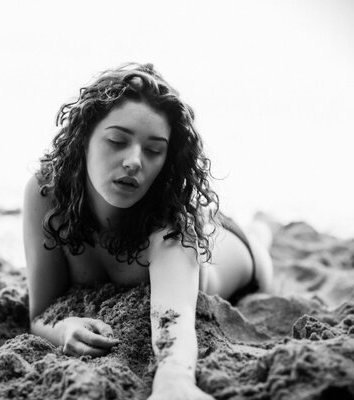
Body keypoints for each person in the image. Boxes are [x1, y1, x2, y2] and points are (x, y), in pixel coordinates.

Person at [22, 63, 273, 400]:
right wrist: (63, 327)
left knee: (259, 239)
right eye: (116, 141)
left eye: (154, 150)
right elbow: (40, 313)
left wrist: (174, 382)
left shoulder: (171, 228)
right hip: (203, 227)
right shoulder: (47, 194)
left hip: (236, 252)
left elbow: (175, 327)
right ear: (84, 140)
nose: (134, 161)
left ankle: (263, 228)